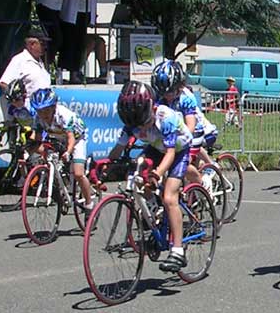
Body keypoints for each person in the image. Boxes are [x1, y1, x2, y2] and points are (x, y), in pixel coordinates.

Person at [108, 81, 194, 272]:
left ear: (151, 109)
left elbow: (170, 154)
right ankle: (155, 211)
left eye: (144, 122)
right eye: (137, 126)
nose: (141, 128)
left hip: (178, 150)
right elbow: (117, 150)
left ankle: (178, 250)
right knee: (137, 174)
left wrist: (158, 173)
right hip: (156, 147)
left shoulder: (166, 117)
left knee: (169, 197)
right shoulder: (131, 122)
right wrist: (104, 164)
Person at [150, 60, 216, 191]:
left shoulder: (186, 97)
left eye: (170, 92)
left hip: (194, 131)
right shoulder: (159, 97)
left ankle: (202, 184)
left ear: (180, 86)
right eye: (162, 93)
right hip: (176, 129)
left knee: (182, 164)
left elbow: (190, 127)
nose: (166, 96)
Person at [29, 88, 94, 218]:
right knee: (37, 149)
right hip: (58, 137)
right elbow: (36, 137)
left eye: (46, 110)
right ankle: (60, 184)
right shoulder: (38, 118)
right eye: (40, 111)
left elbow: (71, 138)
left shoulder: (63, 115)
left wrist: (68, 152)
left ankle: (89, 205)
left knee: (78, 173)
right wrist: (28, 144)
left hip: (77, 138)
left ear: (54, 107)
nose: (43, 114)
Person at [58, 0, 87, 83]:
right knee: (68, 42)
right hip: (69, 12)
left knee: (79, 43)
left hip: (82, 11)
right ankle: (61, 72)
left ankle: (75, 73)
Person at [0, 29, 52, 98]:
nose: (45, 47)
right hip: (28, 103)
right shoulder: (20, 60)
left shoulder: (40, 62)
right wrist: (17, 99)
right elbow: (3, 83)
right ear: (32, 44)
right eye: (42, 44)